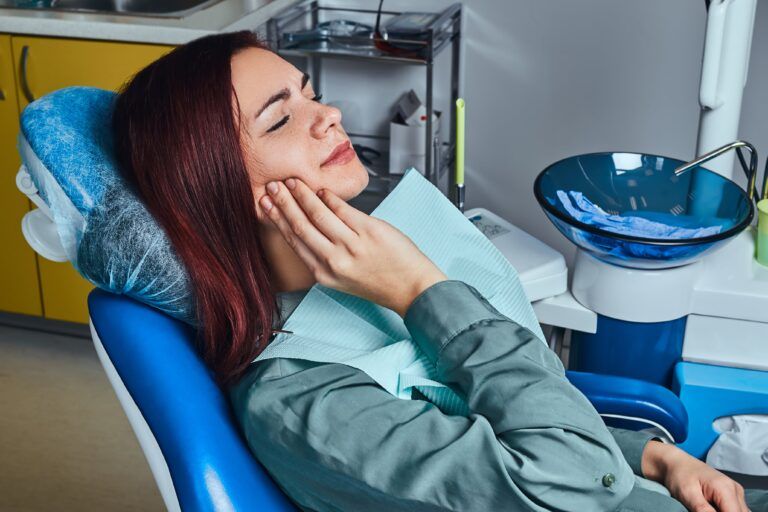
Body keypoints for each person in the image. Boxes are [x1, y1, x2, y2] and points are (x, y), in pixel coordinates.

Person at [111, 31, 767, 512]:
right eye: (282, 117)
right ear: (225, 191)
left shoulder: (351, 283)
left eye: (310, 94)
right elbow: (567, 479)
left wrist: (653, 456)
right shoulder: (305, 402)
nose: (329, 115)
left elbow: (504, 420)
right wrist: (421, 290)